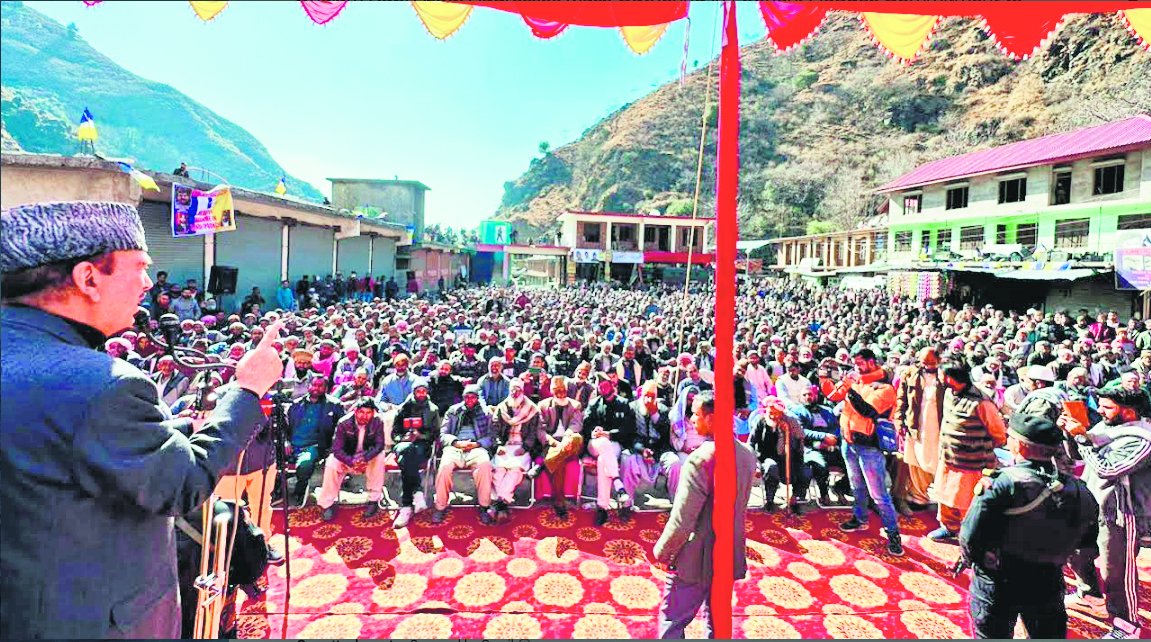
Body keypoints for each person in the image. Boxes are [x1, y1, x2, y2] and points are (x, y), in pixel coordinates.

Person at [0, 200, 284, 639]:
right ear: (88, 278)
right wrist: (247, 390)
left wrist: (179, 430)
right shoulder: (101, 384)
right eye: (140, 266)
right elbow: (183, 482)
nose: (149, 283)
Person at [959, 414, 1098, 639]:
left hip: (998, 580)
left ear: (1018, 446)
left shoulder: (1001, 482)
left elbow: (970, 537)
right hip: (1048, 580)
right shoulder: (1079, 489)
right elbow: (1088, 542)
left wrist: (978, 564)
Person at [653, 391, 758, 639]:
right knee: (718, 622)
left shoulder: (700, 458)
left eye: (696, 414)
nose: (691, 419)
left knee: (672, 621)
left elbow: (684, 518)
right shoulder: (746, 454)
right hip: (729, 551)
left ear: (711, 419)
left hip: (697, 557)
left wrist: (663, 551)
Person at [1063, 387, 1151, 640]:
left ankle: (1127, 627)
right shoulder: (1107, 427)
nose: (1099, 411)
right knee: (1075, 551)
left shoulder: (1142, 438)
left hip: (1122, 515)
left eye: (1107, 407)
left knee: (1116, 573)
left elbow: (1108, 469)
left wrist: (1082, 438)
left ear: (1129, 411)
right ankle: (1089, 596)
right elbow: (1079, 456)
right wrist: (1071, 435)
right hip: (1092, 505)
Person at [825, 348, 905, 556]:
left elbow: (868, 411)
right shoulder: (858, 381)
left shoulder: (885, 388)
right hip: (849, 442)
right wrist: (824, 375)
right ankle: (860, 519)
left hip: (869, 446)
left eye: (860, 363)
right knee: (856, 485)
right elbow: (833, 396)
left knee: (878, 493)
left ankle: (893, 534)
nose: (856, 367)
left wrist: (851, 389)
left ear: (871, 362)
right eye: (855, 363)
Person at [931, 361, 1008, 541]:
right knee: (945, 495)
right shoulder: (949, 393)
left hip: (972, 463)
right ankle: (949, 527)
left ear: (950, 378)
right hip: (948, 457)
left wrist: (978, 447)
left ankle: (970, 536)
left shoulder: (981, 402)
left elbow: (998, 433)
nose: (939, 378)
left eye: (942, 375)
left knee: (967, 502)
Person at [892, 347, 945, 513]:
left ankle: (922, 495)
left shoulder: (944, 376)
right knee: (913, 462)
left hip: (938, 427)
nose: (926, 366)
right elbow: (901, 401)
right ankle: (915, 497)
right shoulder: (910, 374)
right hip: (915, 425)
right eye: (923, 362)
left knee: (933, 462)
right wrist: (899, 422)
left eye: (930, 362)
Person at [318, 397, 389, 521]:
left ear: (373, 413)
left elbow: (379, 445)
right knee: (331, 461)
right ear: (355, 411)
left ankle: (373, 500)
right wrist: (351, 461)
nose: (364, 416)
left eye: (368, 413)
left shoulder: (377, 422)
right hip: (348, 458)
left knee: (380, 456)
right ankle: (327, 504)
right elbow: (337, 449)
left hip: (367, 457)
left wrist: (365, 458)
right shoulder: (344, 423)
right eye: (361, 412)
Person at [433, 385, 496, 525]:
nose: (469, 400)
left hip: (476, 447)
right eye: (466, 397)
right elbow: (443, 434)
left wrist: (477, 444)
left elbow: (491, 436)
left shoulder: (486, 413)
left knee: (485, 465)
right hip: (455, 447)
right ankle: (440, 506)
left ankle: (484, 506)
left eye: (473, 397)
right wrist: (455, 442)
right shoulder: (454, 411)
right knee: (444, 468)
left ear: (477, 398)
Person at [583, 373, 637, 525]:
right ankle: (617, 482)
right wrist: (593, 431)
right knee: (603, 446)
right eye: (600, 386)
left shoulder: (624, 404)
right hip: (595, 444)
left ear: (612, 385)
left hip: (614, 444)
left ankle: (602, 507)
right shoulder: (594, 404)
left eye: (605, 385)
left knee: (603, 460)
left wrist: (609, 434)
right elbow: (585, 426)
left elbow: (629, 430)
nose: (603, 388)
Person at [283, 375, 341, 506]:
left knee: (305, 464)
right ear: (309, 386)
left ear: (326, 388)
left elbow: (340, 429)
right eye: (314, 385)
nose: (316, 388)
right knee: (267, 459)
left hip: (314, 446)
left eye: (320, 386)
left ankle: (299, 492)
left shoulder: (333, 405)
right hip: (292, 445)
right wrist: (286, 441)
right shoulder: (296, 404)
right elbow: (284, 427)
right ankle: (275, 491)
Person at [489, 377, 541, 522]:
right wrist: (499, 445)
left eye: (517, 390)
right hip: (505, 445)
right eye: (512, 389)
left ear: (523, 391)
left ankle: (498, 504)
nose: (514, 392)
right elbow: (495, 430)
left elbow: (532, 434)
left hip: (521, 447)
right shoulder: (502, 408)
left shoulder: (531, 409)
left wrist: (525, 447)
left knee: (514, 471)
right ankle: (504, 504)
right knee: (499, 471)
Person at [391, 378, 440, 529]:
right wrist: (403, 438)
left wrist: (421, 436)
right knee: (407, 450)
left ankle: (406, 506)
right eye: (418, 391)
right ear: (413, 392)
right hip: (403, 444)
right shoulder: (404, 408)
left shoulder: (432, 410)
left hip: (422, 446)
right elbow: (395, 433)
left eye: (424, 391)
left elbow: (435, 434)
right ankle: (417, 493)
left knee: (407, 458)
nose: (421, 394)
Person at [534, 375, 585, 517]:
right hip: (553, 444)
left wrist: (566, 438)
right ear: (552, 392)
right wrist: (556, 443)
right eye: (557, 391)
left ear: (567, 390)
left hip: (569, 442)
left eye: (563, 390)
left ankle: (544, 463)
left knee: (577, 438)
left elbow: (577, 424)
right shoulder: (543, 405)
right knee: (559, 462)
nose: (561, 393)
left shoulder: (575, 405)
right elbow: (541, 430)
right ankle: (559, 502)